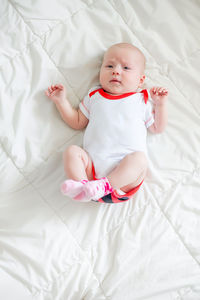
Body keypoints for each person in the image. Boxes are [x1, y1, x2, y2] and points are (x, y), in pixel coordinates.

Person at [45, 43, 168, 203]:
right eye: (109, 65)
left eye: (126, 68)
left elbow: (157, 128)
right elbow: (77, 122)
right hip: (91, 174)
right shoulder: (94, 95)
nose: (116, 70)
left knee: (139, 160)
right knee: (72, 151)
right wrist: (61, 102)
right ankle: (81, 187)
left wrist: (160, 105)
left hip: (123, 181)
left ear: (140, 80)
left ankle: (104, 185)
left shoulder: (141, 100)